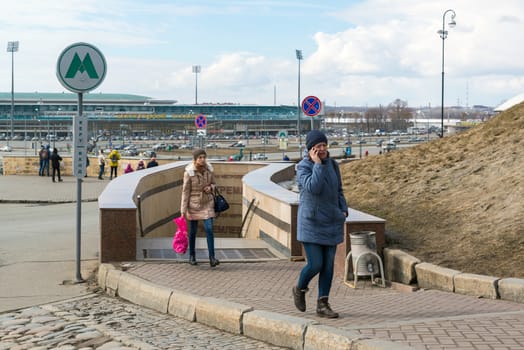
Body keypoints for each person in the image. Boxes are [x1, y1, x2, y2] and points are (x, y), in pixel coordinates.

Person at [292, 130, 348, 319]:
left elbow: (339, 189)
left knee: (328, 266)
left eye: (324, 145)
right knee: (315, 264)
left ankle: (323, 304)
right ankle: (300, 288)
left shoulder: (333, 165)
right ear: (311, 149)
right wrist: (317, 165)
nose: (322, 149)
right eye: (318, 146)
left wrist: (343, 209)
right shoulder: (303, 167)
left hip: (332, 221)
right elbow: (313, 188)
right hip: (312, 223)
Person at [180, 149, 219, 267]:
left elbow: (214, 183)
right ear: (195, 159)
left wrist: (211, 188)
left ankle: (212, 258)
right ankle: (192, 256)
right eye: (200, 157)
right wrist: (183, 211)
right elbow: (185, 192)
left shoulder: (209, 170)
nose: (202, 159)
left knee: (209, 229)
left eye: (204, 157)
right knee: (193, 231)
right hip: (194, 204)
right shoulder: (189, 173)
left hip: (207, 203)